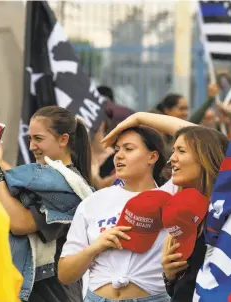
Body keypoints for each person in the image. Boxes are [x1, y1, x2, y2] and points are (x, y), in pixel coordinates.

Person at [102, 112, 228, 301]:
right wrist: (169, 276)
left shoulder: (230, 208)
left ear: (205, 155)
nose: (171, 159)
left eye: (181, 151)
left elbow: (205, 136)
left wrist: (140, 118)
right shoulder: (177, 204)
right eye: (173, 151)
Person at [0, 106, 93, 302]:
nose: (32, 146)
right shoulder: (37, 177)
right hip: (24, 289)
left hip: (52, 293)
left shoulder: (71, 186)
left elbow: (19, 223)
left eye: (38, 139)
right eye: (30, 139)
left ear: (63, 140)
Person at [59, 125, 177, 302]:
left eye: (129, 149)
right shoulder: (94, 202)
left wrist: (139, 118)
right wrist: (95, 247)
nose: (119, 156)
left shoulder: (171, 196)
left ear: (152, 156)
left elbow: (202, 139)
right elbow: (65, 274)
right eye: (117, 150)